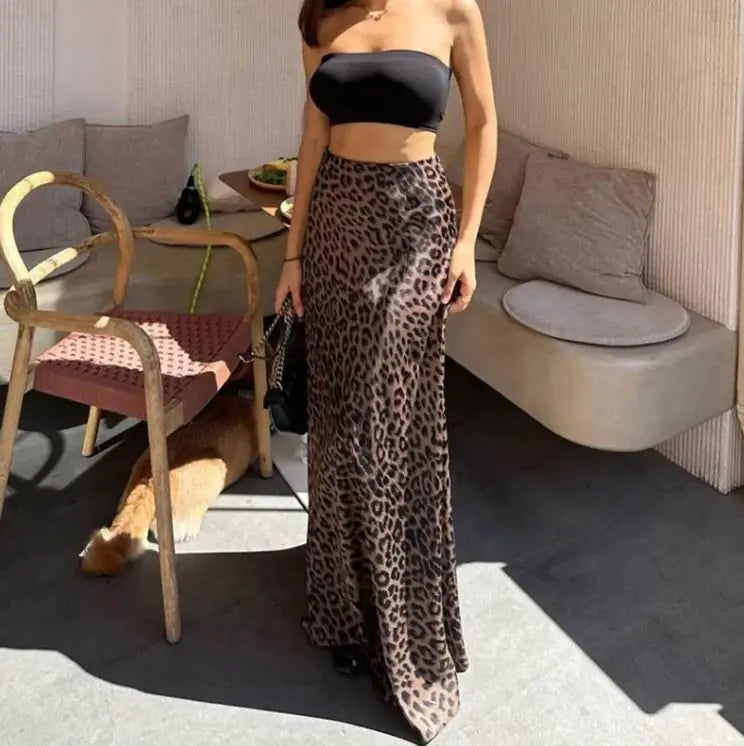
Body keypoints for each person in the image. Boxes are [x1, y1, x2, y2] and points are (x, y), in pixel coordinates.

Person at [274, 0, 497, 741]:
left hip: (415, 225)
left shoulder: (452, 10)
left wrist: (466, 242)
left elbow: (484, 124)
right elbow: (313, 134)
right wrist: (294, 254)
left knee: (388, 424)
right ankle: (343, 606)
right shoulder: (320, 16)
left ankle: (401, 623)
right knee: (338, 419)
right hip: (337, 222)